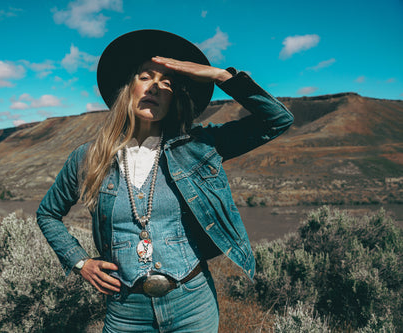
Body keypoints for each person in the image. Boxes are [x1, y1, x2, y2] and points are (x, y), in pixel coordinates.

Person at [37, 29, 294, 332]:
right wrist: (80, 263)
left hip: (192, 305)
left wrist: (219, 76)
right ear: (127, 88)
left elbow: (278, 119)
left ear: (174, 99)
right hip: (125, 311)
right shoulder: (88, 157)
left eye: (167, 83)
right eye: (145, 77)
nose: (155, 87)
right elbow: (48, 214)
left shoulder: (198, 146)